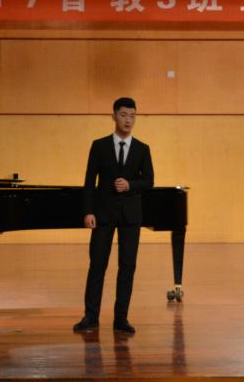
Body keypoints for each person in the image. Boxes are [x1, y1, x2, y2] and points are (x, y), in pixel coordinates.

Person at [73, 97, 154, 335]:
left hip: (131, 216)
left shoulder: (142, 149)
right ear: (114, 116)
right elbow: (89, 182)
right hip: (103, 214)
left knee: (127, 267)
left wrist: (130, 185)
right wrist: (88, 211)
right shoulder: (99, 146)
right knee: (97, 265)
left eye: (132, 116)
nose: (128, 120)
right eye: (123, 115)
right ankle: (91, 316)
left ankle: (121, 318)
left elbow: (149, 181)